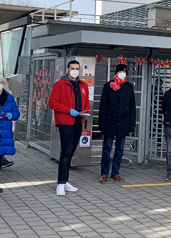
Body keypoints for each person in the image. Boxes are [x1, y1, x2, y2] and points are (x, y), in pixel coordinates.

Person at [48, 60, 90, 196]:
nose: (75, 70)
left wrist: (86, 111)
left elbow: (86, 101)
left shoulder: (83, 85)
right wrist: (68, 110)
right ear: (67, 69)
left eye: (77, 68)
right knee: (66, 151)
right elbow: (52, 102)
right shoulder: (59, 84)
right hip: (66, 121)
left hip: (78, 121)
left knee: (71, 150)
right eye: (72, 68)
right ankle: (60, 183)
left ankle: (65, 181)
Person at [98, 64, 136, 183]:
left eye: (124, 72)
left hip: (123, 122)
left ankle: (115, 172)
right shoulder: (108, 86)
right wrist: (101, 123)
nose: (122, 74)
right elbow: (102, 106)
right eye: (120, 72)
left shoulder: (129, 87)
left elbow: (132, 106)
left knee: (119, 149)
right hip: (110, 122)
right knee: (107, 149)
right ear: (116, 73)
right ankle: (104, 173)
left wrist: (132, 123)